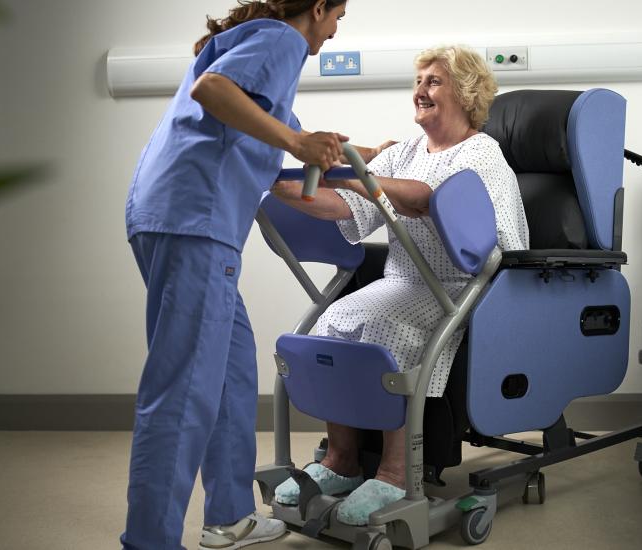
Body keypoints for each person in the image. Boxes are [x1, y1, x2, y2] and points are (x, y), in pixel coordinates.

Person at [121, 1, 387, 548]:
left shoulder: (260, 57)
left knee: (233, 372)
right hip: (195, 222)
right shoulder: (281, 42)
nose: (335, 32)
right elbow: (213, 91)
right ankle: (149, 541)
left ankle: (230, 516)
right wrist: (297, 143)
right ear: (318, 9)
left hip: (174, 216)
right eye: (338, 17)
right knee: (184, 389)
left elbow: (293, 151)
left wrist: (363, 156)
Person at [269, 45, 529, 526]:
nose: (420, 91)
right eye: (419, 81)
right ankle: (341, 461)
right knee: (331, 323)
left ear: (466, 93)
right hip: (405, 278)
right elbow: (356, 208)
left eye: (434, 81)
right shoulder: (406, 151)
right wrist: (287, 188)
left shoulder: (482, 153)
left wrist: (357, 177)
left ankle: (394, 474)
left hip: (462, 285)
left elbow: (431, 201)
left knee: (389, 331)